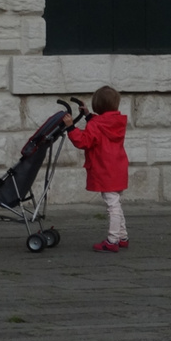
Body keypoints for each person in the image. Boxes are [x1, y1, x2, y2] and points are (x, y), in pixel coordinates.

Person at [62, 85, 129, 252]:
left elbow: (84, 141)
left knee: (112, 206)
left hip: (105, 169)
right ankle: (122, 236)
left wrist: (71, 127)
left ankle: (112, 240)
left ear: (97, 105)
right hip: (118, 167)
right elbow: (100, 126)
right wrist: (87, 115)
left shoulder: (97, 124)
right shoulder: (117, 122)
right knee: (116, 203)